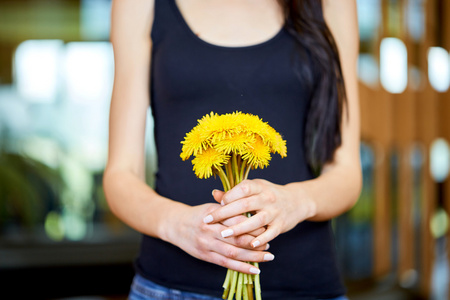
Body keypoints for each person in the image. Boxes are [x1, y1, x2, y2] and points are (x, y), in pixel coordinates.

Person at [103, 0, 361, 299]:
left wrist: (295, 201)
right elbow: (120, 175)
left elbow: (347, 174)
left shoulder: (333, 4)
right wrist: (178, 224)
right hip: (170, 286)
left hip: (304, 286)